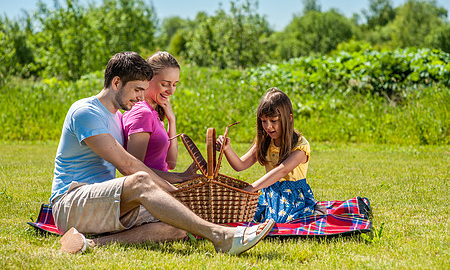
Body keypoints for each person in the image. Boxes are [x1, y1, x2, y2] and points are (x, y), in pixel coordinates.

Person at [50, 51, 274, 255]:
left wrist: (176, 195)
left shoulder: (117, 117)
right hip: (70, 202)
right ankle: (222, 236)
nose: (141, 97)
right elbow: (127, 165)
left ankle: (88, 244)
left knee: (178, 224)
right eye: (137, 89)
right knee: (140, 181)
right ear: (116, 82)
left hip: (103, 203)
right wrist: (173, 191)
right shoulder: (85, 112)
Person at [217, 88, 326, 223]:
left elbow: (282, 170)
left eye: (273, 121)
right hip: (269, 194)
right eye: (264, 121)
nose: (268, 126)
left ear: (289, 118)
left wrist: (251, 188)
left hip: (293, 197)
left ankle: (314, 209)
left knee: (281, 220)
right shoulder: (264, 142)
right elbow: (240, 165)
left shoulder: (300, 146)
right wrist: (227, 148)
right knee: (238, 215)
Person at [122, 51, 180, 172]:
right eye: (165, 84)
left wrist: (172, 121)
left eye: (174, 85)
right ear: (148, 79)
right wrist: (179, 177)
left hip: (163, 184)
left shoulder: (153, 112)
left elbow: (171, 163)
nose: (171, 91)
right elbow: (136, 172)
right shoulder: (143, 114)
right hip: (153, 188)